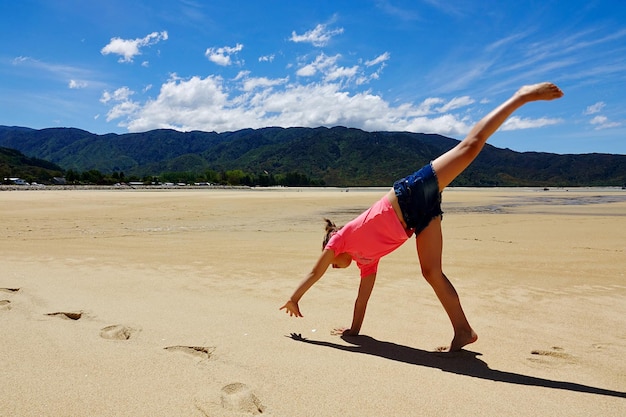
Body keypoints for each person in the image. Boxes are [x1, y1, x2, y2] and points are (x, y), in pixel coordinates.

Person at [280, 82, 564, 351]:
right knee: (431, 272)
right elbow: (362, 298)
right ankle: (464, 331)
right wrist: (353, 332)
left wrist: (294, 298)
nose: (334, 267)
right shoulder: (366, 261)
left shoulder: (339, 240)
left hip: (409, 195)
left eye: (333, 264)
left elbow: (314, 272)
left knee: (469, 147)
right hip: (418, 219)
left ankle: (521, 96)